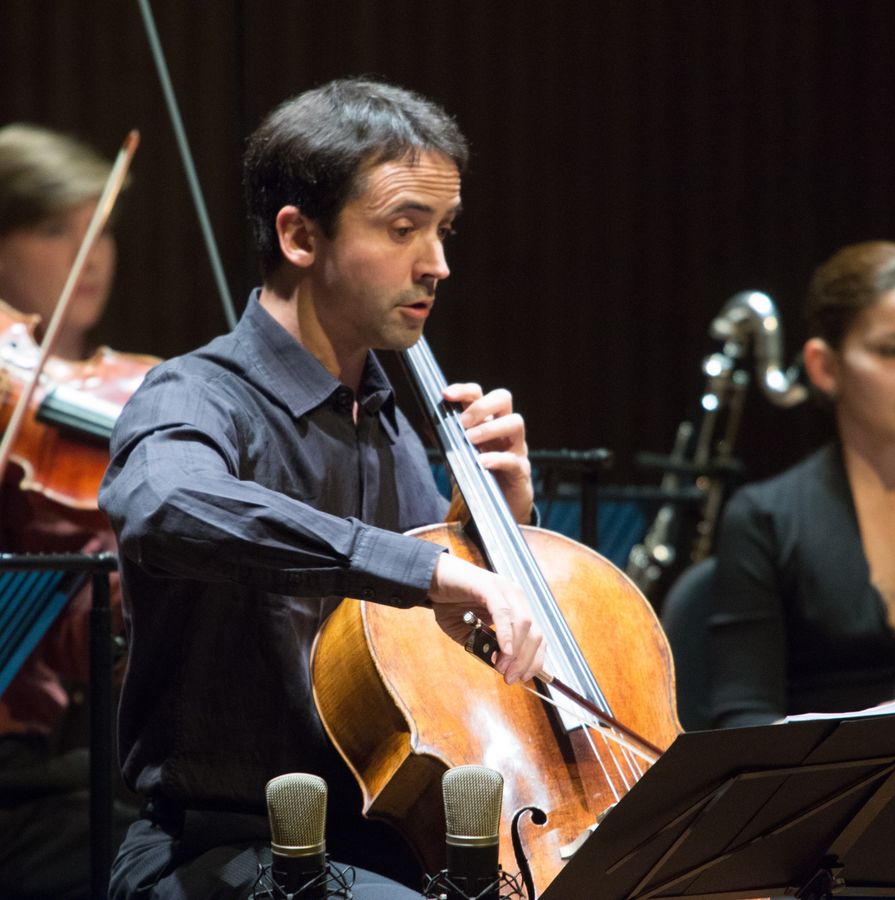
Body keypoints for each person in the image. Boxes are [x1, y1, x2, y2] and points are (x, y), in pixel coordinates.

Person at [98, 78, 546, 900]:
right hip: (225, 847)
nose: (437, 264)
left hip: (392, 840)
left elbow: (432, 667)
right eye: (403, 228)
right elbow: (165, 505)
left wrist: (494, 530)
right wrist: (428, 569)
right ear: (300, 236)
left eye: (444, 230)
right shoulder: (194, 395)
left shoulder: (392, 423)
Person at [0, 124, 135, 898]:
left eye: (100, 230)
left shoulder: (128, 392)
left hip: (73, 750)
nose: (90, 256)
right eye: (55, 229)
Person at [707, 240, 895, 728]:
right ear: (824, 367)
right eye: (892, 350)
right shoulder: (765, 518)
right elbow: (743, 720)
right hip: (846, 776)